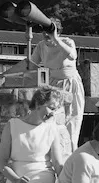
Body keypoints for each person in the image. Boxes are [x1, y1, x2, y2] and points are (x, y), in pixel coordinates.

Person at [0, 86, 67, 183]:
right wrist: (16, 180)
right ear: (37, 104)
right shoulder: (12, 125)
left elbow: (58, 163)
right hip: (17, 176)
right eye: (51, 108)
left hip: (42, 175)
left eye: (56, 110)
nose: (53, 114)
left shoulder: (51, 128)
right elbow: (2, 161)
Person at [31, 17, 85, 150]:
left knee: (72, 118)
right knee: (52, 117)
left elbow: (72, 55)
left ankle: (71, 150)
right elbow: (31, 65)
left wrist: (56, 38)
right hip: (53, 84)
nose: (45, 34)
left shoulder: (67, 42)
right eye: (43, 30)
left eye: (48, 30)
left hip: (71, 83)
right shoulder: (41, 46)